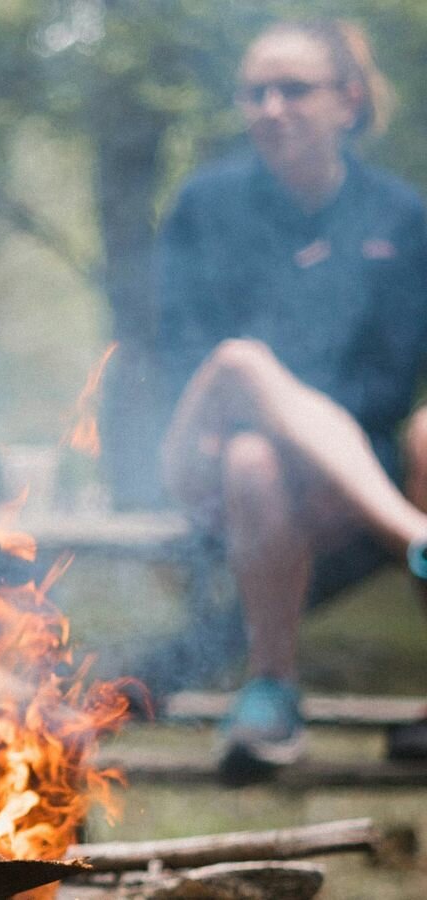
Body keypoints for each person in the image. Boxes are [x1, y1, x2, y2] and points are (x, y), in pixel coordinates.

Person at [153, 19, 427, 782]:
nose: (272, 107)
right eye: (256, 92)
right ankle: (416, 536)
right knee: (244, 383)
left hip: (333, 478)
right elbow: (184, 359)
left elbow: (391, 383)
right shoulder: (206, 205)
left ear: (348, 101)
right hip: (204, 454)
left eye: (294, 89)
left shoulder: (400, 218)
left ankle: (272, 706)